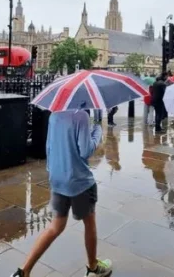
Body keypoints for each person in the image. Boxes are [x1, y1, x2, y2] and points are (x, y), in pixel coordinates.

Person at [12, 109, 112, 277]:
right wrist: (97, 131)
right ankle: (93, 268)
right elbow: (85, 151)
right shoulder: (81, 116)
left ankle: (24, 270)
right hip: (79, 181)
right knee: (89, 224)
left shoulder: (54, 115)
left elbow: (49, 147)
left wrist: (53, 172)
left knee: (55, 226)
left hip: (58, 179)